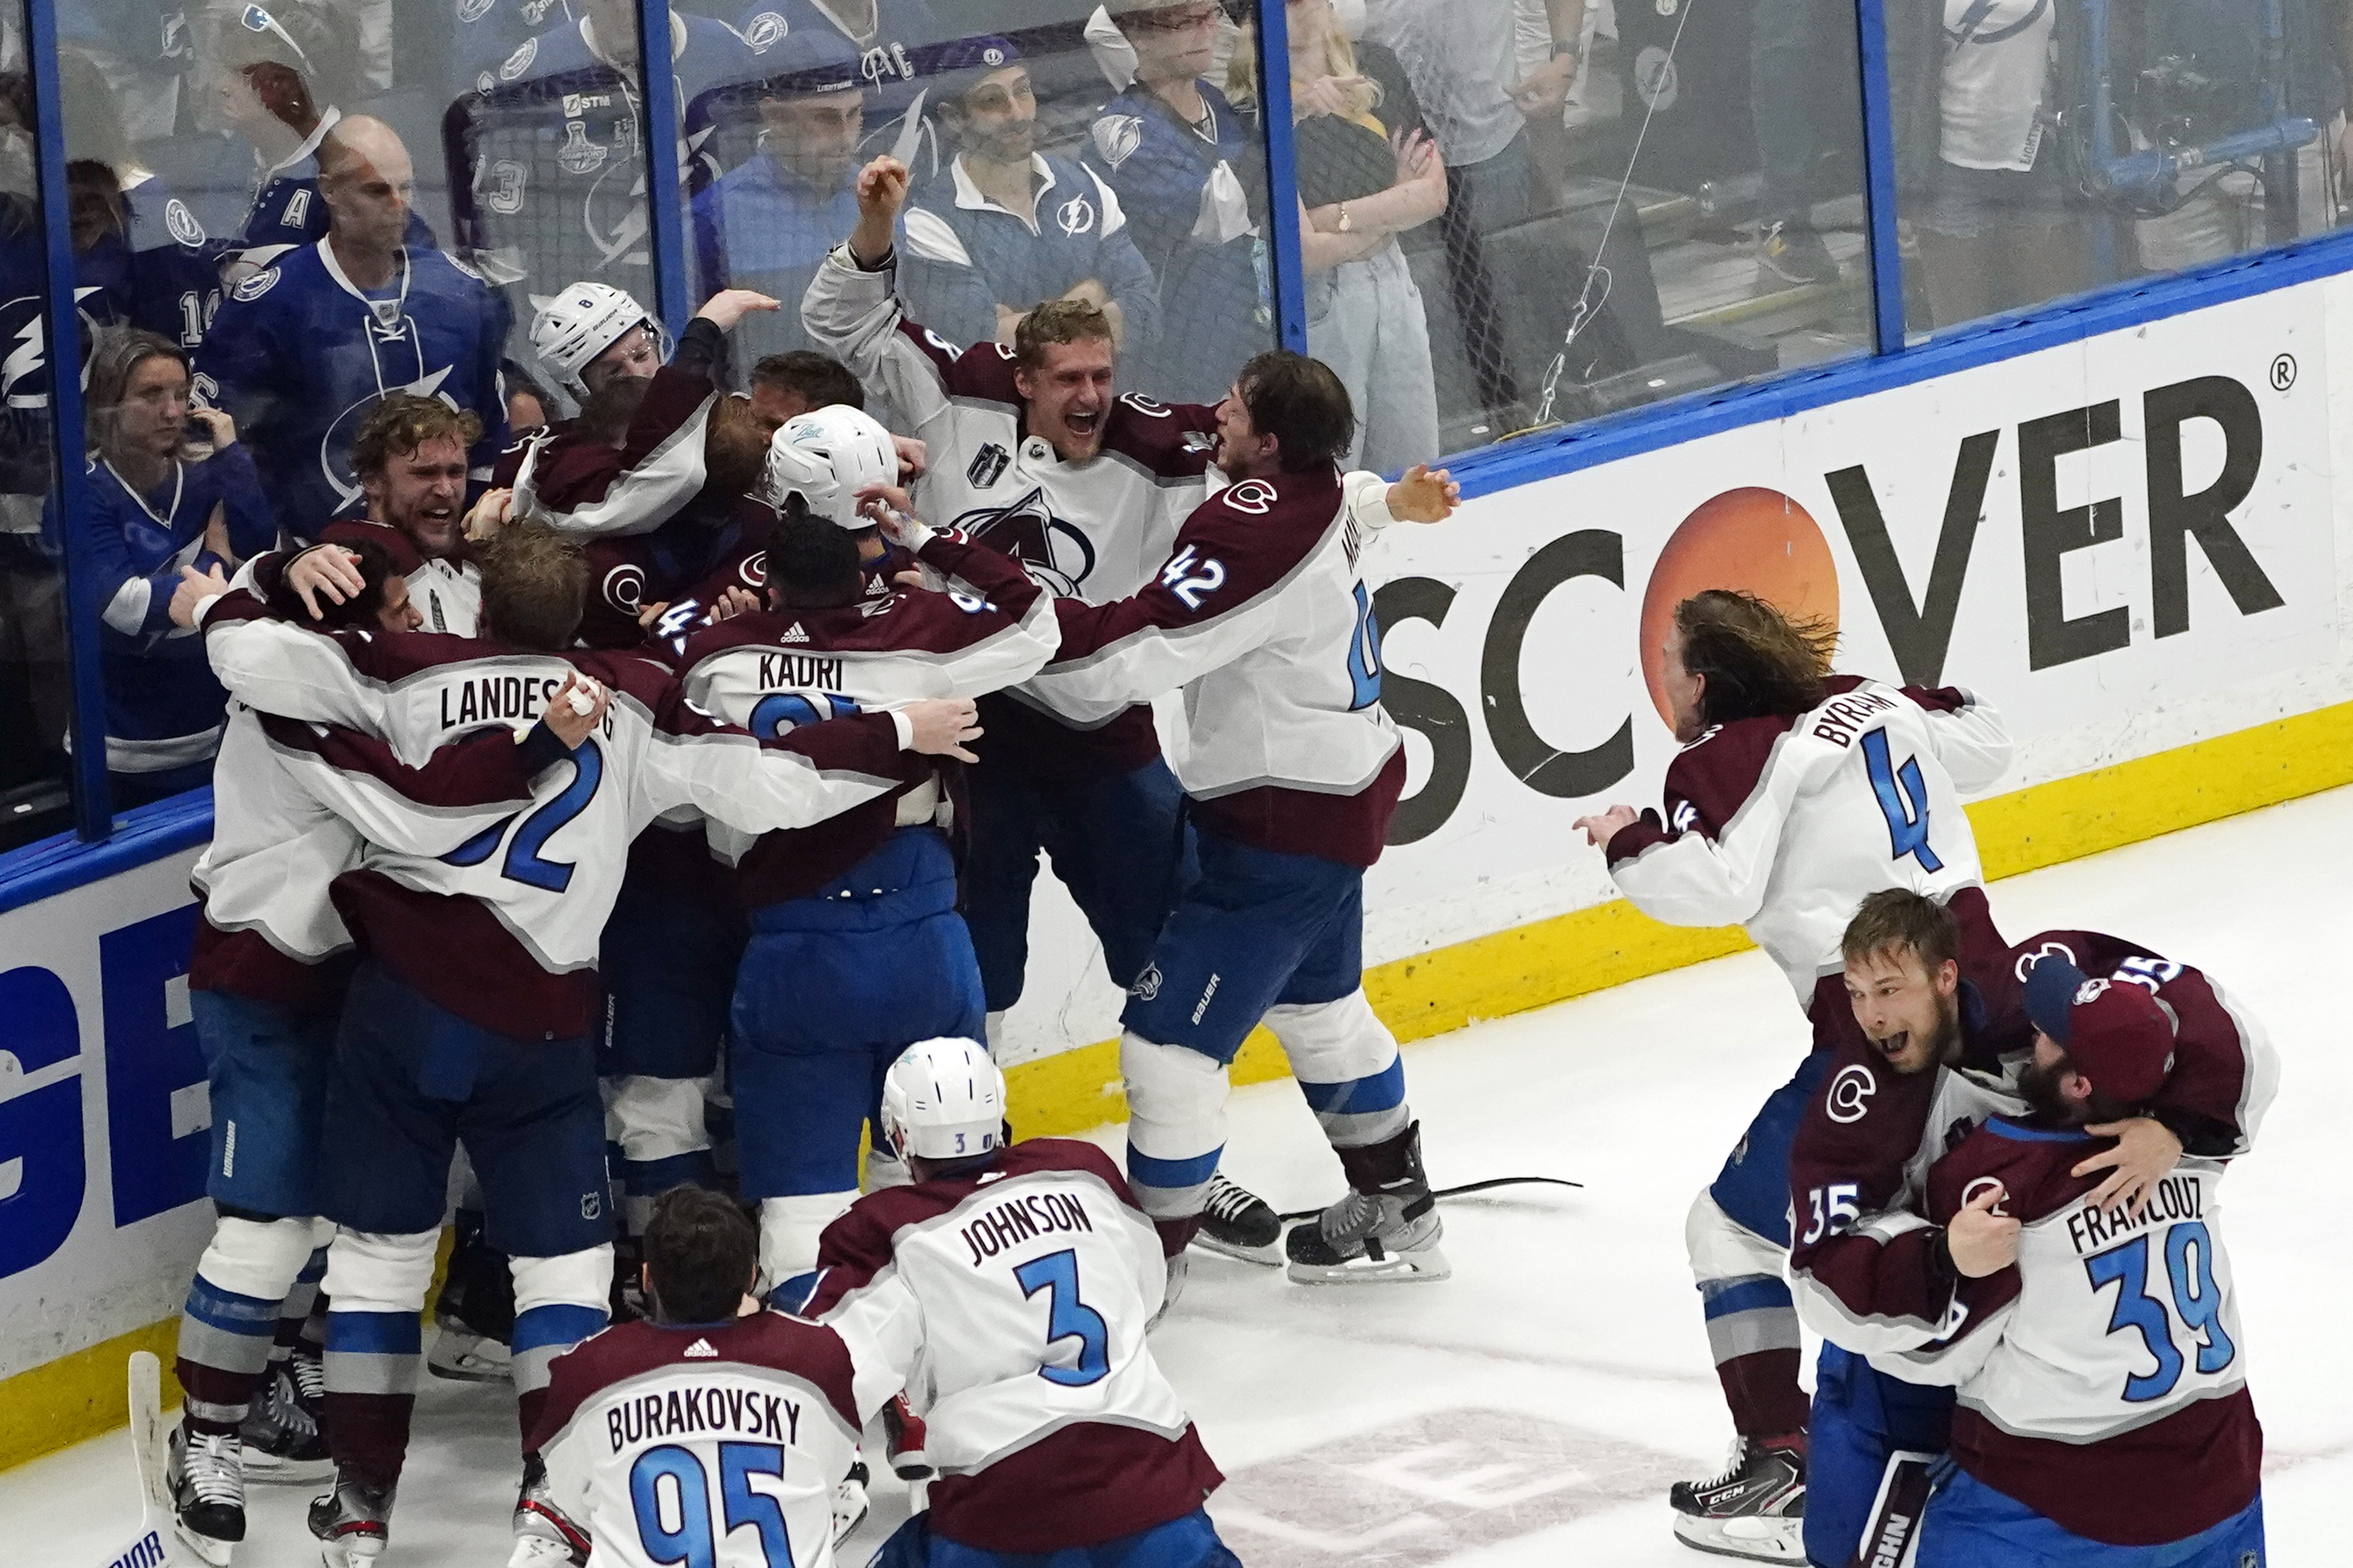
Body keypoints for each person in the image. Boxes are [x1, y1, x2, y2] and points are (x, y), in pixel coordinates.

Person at [185, 519, 982, 1565]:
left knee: (379, 1261)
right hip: (545, 1022)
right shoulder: (633, 695)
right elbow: (766, 778)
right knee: (558, 1269)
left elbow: (243, 651)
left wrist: (254, 578)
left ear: (476, 603)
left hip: (403, 1014)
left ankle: (363, 1503)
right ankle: (543, 1498)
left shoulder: (398, 675)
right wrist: (894, 732)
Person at [1569, 588, 2011, 1562]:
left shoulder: (1723, 756)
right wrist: (1904, 698)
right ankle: (2000, 1434)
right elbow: (1989, 740)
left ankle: (1783, 1458)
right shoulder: (1873, 700)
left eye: (1673, 662)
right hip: (1995, 1002)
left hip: (1880, 1037)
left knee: (1727, 1228)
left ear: (1705, 681)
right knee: (1971, 1211)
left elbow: (1712, 883)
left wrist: (1627, 839)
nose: (1666, 682)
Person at [162, 536, 577, 1559]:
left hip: (358, 982)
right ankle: (207, 1433)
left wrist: (261, 575)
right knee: (271, 1226)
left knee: (353, 1227)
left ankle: (295, 1373)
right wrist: (538, 747)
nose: (409, 629)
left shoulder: (346, 679)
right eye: (396, 610)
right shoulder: (307, 701)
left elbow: (232, 618)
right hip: (264, 983)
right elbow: (419, 804)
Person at [1016, 351, 1460, 1289]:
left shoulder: (1249, 528)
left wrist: (997, 622)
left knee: (1167, 1049)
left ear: (1267, 440)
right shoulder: (1323, 484)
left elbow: (1127, 659)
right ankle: (1398, 1206)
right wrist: (1398, 505)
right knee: (1322, 1013)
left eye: (1237, 406)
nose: (1216, 409)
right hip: (1338, 793)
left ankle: (1155, 1262)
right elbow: (1353, 502)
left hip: (1280, 830)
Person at [667, 406, 1060, 1294]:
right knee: (935, 1186)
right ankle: (937, 1356)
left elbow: (686, 763)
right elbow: (1039, 620)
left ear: (769, 573)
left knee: (801, 1209)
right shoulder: (922, 636)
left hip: (794, 948)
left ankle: (812, 1379)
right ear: (862, 558)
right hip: (923, 931)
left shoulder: (717, 657)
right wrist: (926, 534)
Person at [1785, 889, 2277, 1568]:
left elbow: (1932, 1354)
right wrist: (2177, 1128)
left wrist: (1941, 1261)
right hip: (2222, 1468)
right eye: (1858, 992)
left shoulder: (2007, 1189)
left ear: (1945, 977)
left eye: (1889, 990)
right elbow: (2229, 1047)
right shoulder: (2199, 1161)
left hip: (2049, 1488)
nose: (1868, 1015)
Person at [799, 1037, 1242, 1568]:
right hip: (1154, 1486)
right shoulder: (1083, 1170)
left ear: (898, 1136)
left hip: (1002, 1515)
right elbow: (1146, 1288)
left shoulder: (885, 1231)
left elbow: (824, 1379)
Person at [192, 115, 512, 541]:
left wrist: (474, 535)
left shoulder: (463, 295)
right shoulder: (271, 303)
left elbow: (489, 431)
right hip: (321, 563)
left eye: (407, 188)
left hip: (450, 554)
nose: (398, 205)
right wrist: (273, 553)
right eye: (378, 190)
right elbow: (216, 442)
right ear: (330, 191)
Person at [513, 1185, 867, 1568]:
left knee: (555, 1516)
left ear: (647, 1278)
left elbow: (570, 1498)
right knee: (846, 1483)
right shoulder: (816, 1355)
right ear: (750, 1277)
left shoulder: (588, 1367)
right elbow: (833, 1469)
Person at [58, 328, 273, 807]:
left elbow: (260, 558)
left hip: (217, 734)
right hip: (118, 753)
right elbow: (127, 608)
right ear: (108, 403)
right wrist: (216, 556)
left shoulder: (207, 476)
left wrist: (231, 453)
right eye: (151, 395)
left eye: (181, 394)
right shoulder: (81, 494)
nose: (174, 411)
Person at [1359, 0, 1583, 426]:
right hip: (1388, 152)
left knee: (1524, 327)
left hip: (1490, 137)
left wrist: (1566, 56)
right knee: (1422, 336)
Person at [1244, 0, 1446, 472]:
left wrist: (1335, 216)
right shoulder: (1253, 102)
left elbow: (1433, 193)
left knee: (1414, 466)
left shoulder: (1376, 64)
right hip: (1316, 301)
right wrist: (1393, 203)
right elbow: (1303, 251)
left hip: (1394, 279)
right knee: (1331, 468)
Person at [898, 39, 1162, 358]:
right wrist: (1093, 293)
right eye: (993, 100)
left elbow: (1145, 311)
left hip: (1107, 393)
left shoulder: (1084, 183)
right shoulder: (929, 221)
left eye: (1023, 90)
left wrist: (1017, 324)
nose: (1018, 113)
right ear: (953, 117)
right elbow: (978, 346)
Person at [1088, 0, 1267, 405]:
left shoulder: (1213, 100)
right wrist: (1285, 124)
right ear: (1137, 33)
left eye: (1210, 17)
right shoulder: (1122, 130)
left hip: (1248, 327)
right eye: (1185, 21)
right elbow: (1217, 215)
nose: (1205, 32)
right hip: (1184, 345)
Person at [690, 29, 869, 369]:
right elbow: (697, 352)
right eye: (826, 117)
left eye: (855, 114)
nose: (846, 137)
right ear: (774, 116)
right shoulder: (713, 217)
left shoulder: (876, 195)